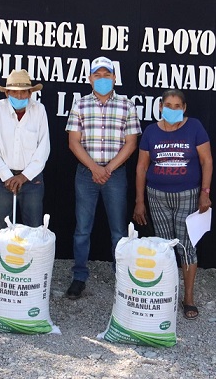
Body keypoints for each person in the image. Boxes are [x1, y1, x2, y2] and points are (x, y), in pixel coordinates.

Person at [65, 56, 142, 299]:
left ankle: (121, 277)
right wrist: (95, 168)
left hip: (115, 174)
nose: (102, 79)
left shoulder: (127, 106)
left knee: (118, 230)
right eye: (97, 75)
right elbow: (73, 142)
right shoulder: (80, 105)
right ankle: (79, 277)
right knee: (82, 229)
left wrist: (107, 169)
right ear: (89, 79)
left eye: (106, 75)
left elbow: (131, 144)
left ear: (114, 78)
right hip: (86, 174)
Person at [133, 89, 213, 320]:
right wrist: (140, 200)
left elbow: (207, 160)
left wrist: (205, 192)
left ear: (184, 108)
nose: (173, 109)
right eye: (168, 104)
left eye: (178, 105)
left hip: (187, 194)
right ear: (160, 107)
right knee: (164, 246)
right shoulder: (150, 131)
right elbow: (141, 167)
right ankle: (166, 292)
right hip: (156, 195)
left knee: (187, 246)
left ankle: (188, 298)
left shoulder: (195, 127)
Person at [0, 70, 49, 232]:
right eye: (15, 92)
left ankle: (31, 258)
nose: (19, 96)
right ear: (7, 93)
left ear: (30, 93)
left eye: (24, 92)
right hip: (3, 179)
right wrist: (7, 176)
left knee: (34, 228)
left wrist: (23, 176)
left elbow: (43, 147)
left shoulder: (39, 110)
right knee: (1, 228)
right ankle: (4, 259)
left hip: (32, 179)